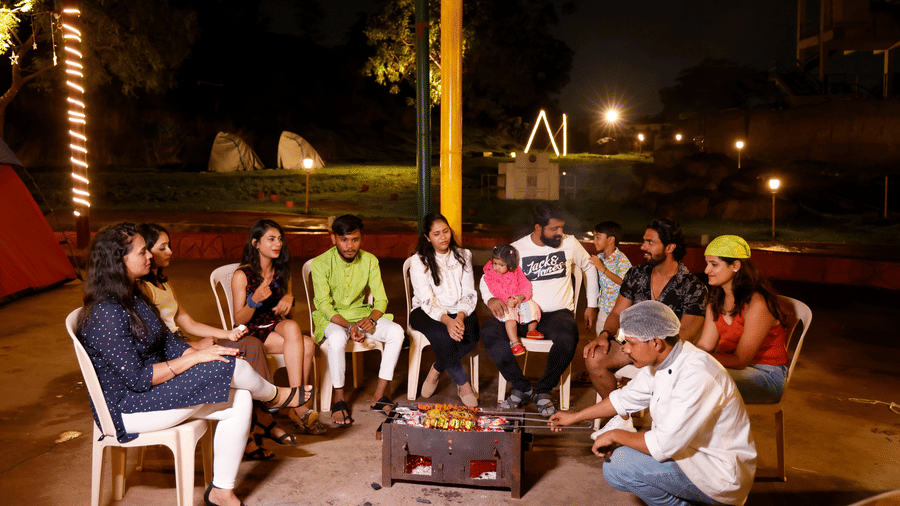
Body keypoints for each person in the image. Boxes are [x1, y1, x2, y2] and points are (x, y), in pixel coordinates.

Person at [76, 223, 314, 506]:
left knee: (238, 396)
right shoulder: (107, 311)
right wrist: (193, 358)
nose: (150, 256)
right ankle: (275, 396)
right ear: (120, 260)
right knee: (228, 368)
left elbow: (168, 343)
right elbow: (137, 379)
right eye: (143, 252)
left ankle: (221, 492)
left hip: (149, 391)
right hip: (128, 406)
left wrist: (206, 349)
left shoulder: (134, 296)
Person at [550, 301, 756, 506]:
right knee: (621, 462)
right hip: (689, 453)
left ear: (656, 343)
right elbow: (624, 398)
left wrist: (615, 434)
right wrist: (574, 417)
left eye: (631, 343)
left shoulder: (697, 374)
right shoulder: (666, 359)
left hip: (718, 473)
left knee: (619, 465)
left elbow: (663, 444)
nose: (625, 350)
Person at [137, 223, 303, 459]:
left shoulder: (163, 284)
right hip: (173, 352)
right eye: (163, 247)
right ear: (146, 252)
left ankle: (264, 418)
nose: (171, 251)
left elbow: (189, 323)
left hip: (182, 343)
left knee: (250, 344)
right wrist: (194, 347)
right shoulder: (141, 289)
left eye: (169, 246)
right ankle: (266, 415)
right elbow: (156, 338)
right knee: (246, 350)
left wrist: (227, 334)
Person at [584, 218, 707, 435]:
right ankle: (620, 418)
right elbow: (616, 313)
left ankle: (665, 434)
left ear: (670, 248)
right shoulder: (636, 275)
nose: (643, 247)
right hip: (632, 345)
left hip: (669, 354)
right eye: (644, 241)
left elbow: (687, 333)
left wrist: (652, 352)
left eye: (650, 242)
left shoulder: (693, 287)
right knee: (594, 357)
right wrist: (604, 334)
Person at [480, 202, 599, 417]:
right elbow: (487, 276)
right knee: (489, 331)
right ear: (538, 228)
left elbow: (589, 267)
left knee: (568, 336)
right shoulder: (517, 249)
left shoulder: (570, 243)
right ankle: (522, 387)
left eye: (561, 227)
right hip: (522, 314)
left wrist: (591, 304)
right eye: (554, 228)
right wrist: (490, 299)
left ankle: (544, 391)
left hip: (557, 314)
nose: (560, 233)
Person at [231, 220, 327, 437]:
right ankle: (298, 406)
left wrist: (289, 298)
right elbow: (239, 319)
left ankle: (294, 400)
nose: (278, 244)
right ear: (256, 243)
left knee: (295, 329)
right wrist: (253, 301)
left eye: (280, 239)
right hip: (252, 330)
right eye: (271, 239)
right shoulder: (242, 275)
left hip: (274, 325)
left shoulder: (282, 272)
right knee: (307, 344)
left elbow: (289, 315)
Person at [311, 214, 405, 426]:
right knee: (336, 339)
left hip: (362, 314)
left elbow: (381, 299)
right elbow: (324, 305)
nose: (350, 246)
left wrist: (371, 319)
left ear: (362, 238)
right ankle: (339, 399)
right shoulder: (320, 264)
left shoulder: (370, 260)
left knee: (396, 332)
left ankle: (379, 396)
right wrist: (350, 326)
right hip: (332, 318)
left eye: (355, 239)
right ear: (333, 238)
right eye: (344, 239)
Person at [696, 235, 791, 404]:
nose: (706, 270)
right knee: (680, 373)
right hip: (728, 369)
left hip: (766, 376)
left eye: (714, 264)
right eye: (707, 264)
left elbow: (740, 361)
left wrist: (696, 359)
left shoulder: (758, 303)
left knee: (697, 380)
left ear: (735, 266)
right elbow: (704, 346)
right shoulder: (715, 303)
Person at [408, 213, 480, 407]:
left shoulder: (464, 255)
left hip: (459, 309)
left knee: (472, 334)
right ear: (428, 237)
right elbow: (426, 298)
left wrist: (461, 316)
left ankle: (437, 368)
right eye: (437, 233)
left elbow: (469, 292)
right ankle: (463, 383)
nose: (443, 237)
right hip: (426, 311)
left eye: (446, 231)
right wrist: (448, 321)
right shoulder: (419, 260)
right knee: (443, 336)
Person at [481, 244, 543, 357]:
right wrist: (506, 300)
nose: (496, 267)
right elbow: (493, 291)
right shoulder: (490, 275)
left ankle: (532, 330)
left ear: (510, 265)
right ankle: (515, 343)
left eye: (501, 265)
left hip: (517, 300)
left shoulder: (516, 271)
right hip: (505, 304)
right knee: (510, 317)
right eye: (494, 263)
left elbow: (526, 284)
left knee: (533, 306)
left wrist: (520, 297)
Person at [589, 221, 631, 333]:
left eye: (598, 237)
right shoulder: (598, 258)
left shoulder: (621, 259)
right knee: (601, 335)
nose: (594, 241)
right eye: (594, 237)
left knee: (619, 341)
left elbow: (625, 283)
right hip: (603, 308)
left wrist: (603, 269)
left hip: (620, 311)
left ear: (611, 239)